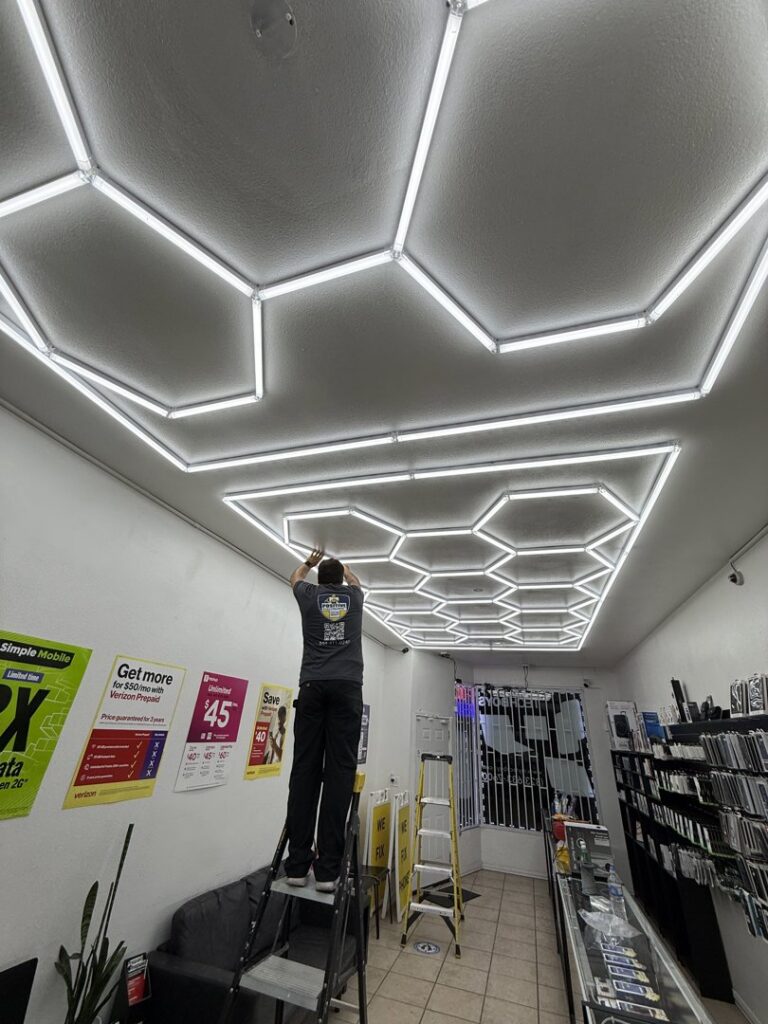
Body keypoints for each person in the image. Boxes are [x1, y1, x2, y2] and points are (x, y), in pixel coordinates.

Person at [286, 549, 364, 891]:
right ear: (341, 579)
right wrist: (347, 570)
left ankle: (298, 867)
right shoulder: (355, 598)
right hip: (347, 688)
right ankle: (328, 872)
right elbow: (357, 582)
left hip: (313, 686)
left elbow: (295, 578)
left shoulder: (309, 596)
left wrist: (309, 562)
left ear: (320, 579)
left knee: (304, 770)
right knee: (339, 771)